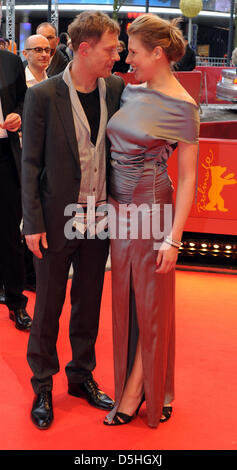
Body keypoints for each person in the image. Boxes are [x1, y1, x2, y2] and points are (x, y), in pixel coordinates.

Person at [21, 11, 124, 430]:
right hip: (55, 216)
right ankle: (42, 383)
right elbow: (30, 164)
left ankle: (81, 376)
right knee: (47, 306)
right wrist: (32, 223)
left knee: (89, 302)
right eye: (111, 48)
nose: (116, 56)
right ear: (85, 49)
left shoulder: (115, 89)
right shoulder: (43, 95)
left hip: (99, 216)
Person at [103, 14, 199, 428]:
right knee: (130, 299)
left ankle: (135, 391)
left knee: (152, 302)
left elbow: (190, 176)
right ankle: (158, 383)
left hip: (153, 209)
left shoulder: (183, 107)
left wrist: (173, 239)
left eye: (135, 52)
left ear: (158, 53)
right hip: (119, 211)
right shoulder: (130, 93)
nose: (128, 60)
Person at [0, 49, 32, 331]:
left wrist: (18, 115)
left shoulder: (10, 61)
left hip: (4, 156)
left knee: (10, 232)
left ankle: (16, 302)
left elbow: (24, 99)